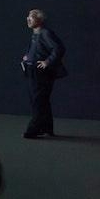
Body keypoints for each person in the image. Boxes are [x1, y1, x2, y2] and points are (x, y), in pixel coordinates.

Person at [21, 9, 66, 138]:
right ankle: (46, 128)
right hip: (32, 71)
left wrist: (47, 62)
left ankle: (33, 130)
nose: (28, 19)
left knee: (38, 101)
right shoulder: (35, 33)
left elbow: (59, 48)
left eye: (32, 17)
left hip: (41, 73)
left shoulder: (45, 33)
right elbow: (37, 50)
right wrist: (28, 57)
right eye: (28, 16)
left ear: (40, 20)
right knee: (41, 101)